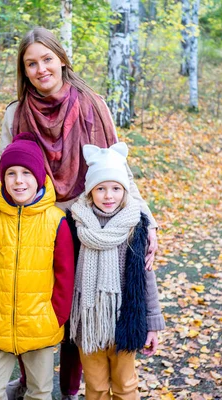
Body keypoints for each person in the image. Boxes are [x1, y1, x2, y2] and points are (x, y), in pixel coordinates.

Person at [0, 27, 160, 400]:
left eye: (46, 59)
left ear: (61, 60)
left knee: (77, 312)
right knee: (29, 301)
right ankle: (30, 383)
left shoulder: (93, 104)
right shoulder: (16, 114)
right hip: (37, 222)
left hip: (86, 219)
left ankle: (71, 389)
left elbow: (118, 171)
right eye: (31, 63)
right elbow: (8, 176)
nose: (41, 69)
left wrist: (146, 217)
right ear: (23, 71)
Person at [0, 132, 75, 400]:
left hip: (41, 322)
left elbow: (65, 276)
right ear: (3, 178)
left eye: (27, 173)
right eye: (11, 173)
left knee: (39, 391)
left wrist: (56, 316)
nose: (19, 181)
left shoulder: (56, 221)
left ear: (39, 177)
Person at [68, 142, 166, 399]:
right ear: (90, 192)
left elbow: (146, 277)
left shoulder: (135, 224)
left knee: (125, 386)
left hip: (125, 320)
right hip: (88, 324)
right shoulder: (76, 224)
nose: (108, 195)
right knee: (96, 387)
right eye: (101, 188)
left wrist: (152, 324)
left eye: (115, 188)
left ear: (125, 191)